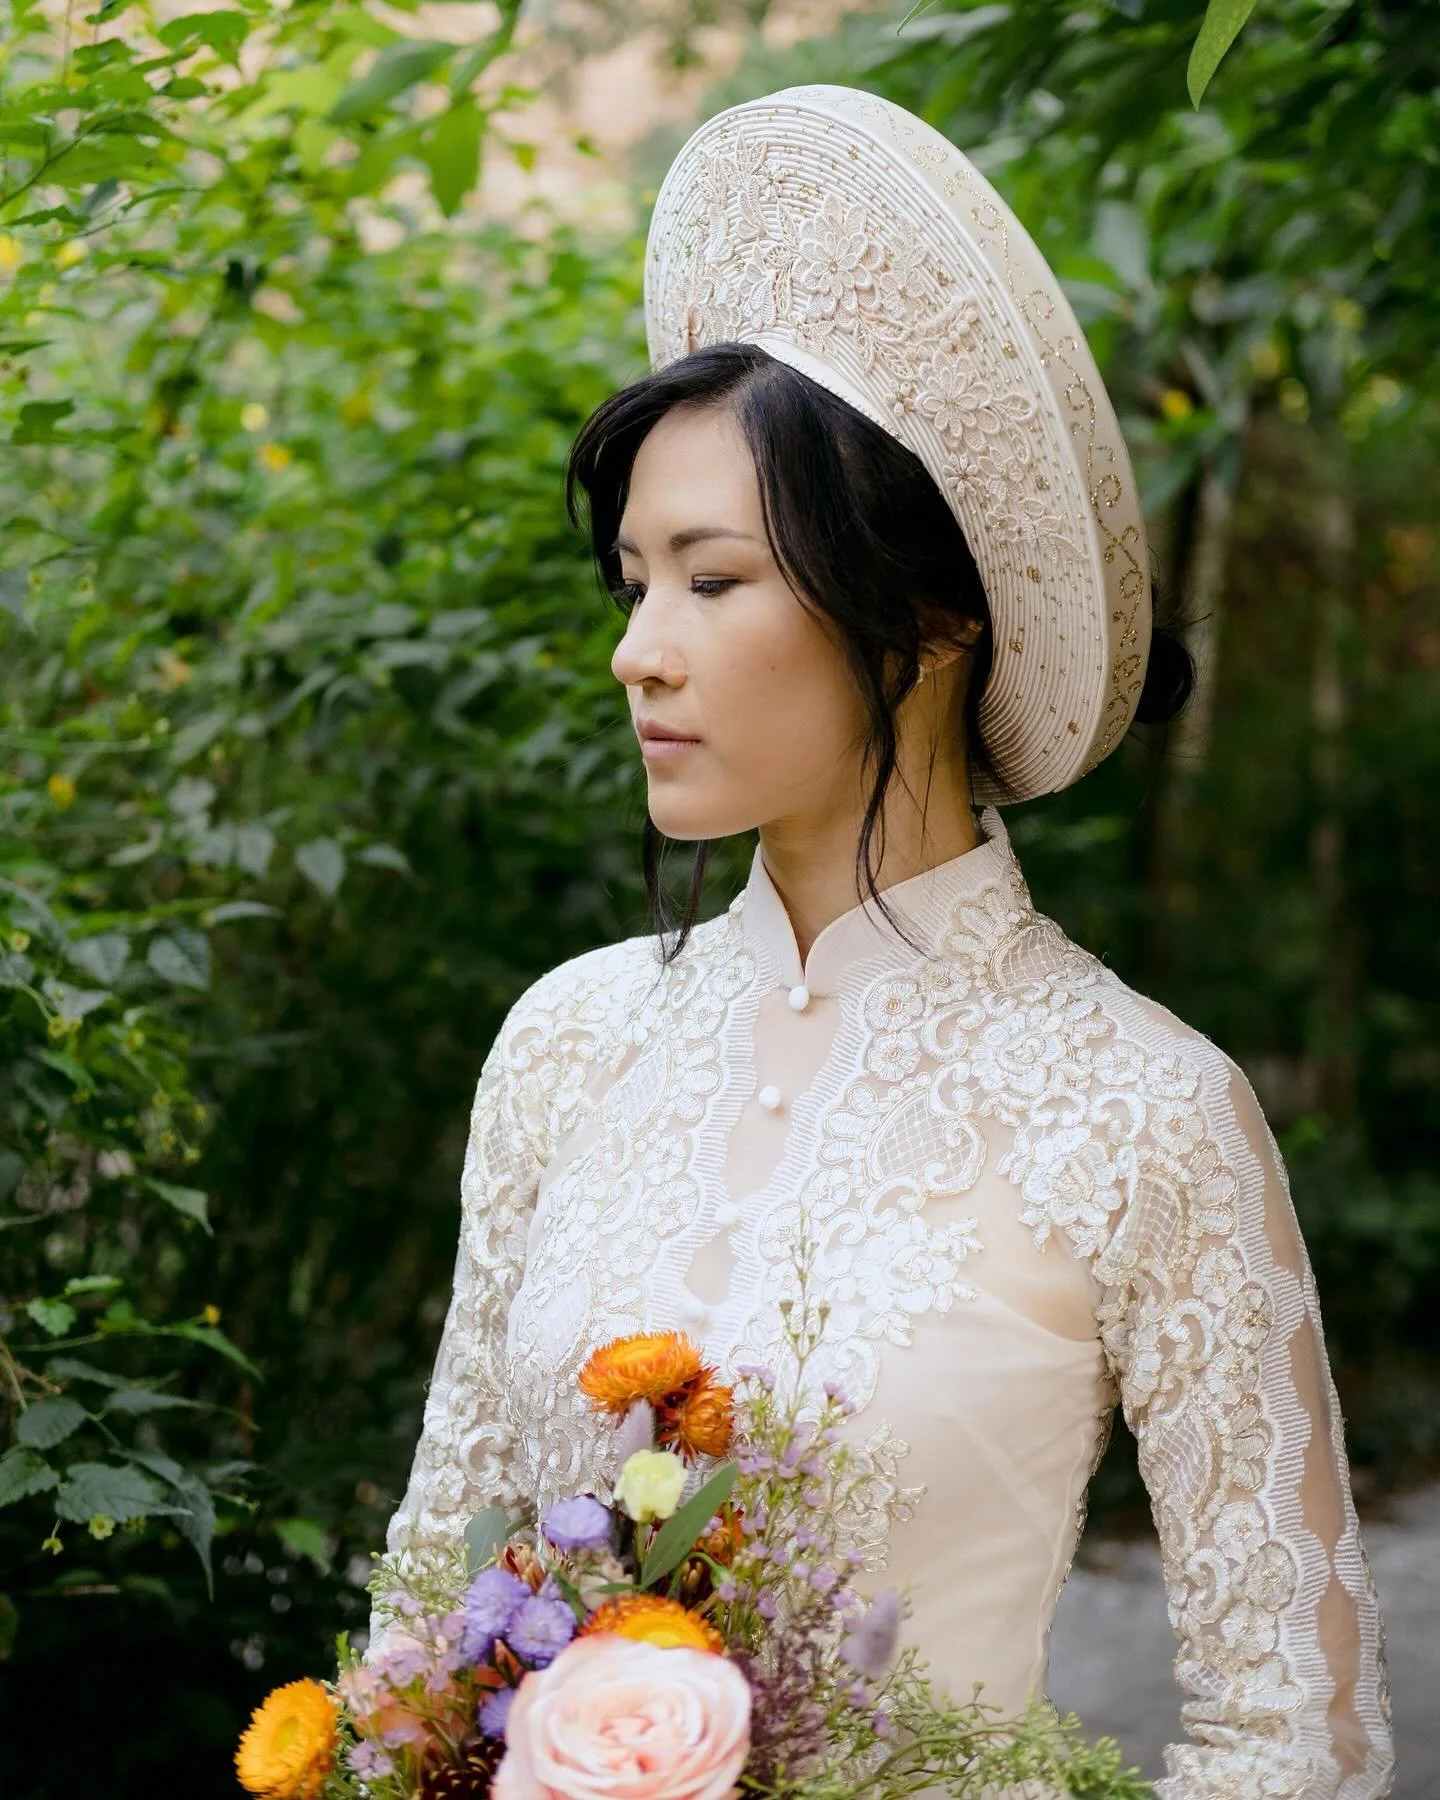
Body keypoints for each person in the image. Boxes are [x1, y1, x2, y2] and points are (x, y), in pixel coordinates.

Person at [379, 86, 1394, 1797]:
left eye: (710, 579)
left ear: (923, 622)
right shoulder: (567, 1042)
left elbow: (1293, 1732)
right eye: (631, 582)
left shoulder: (1145, 1106)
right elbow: (428, 1607)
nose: (640, 648)